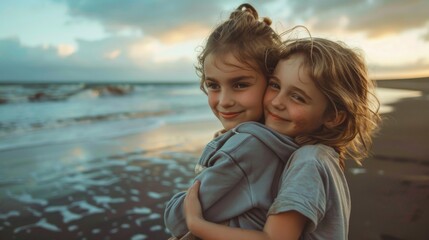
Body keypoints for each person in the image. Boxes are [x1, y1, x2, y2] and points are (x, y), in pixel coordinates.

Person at [183, 37, 381, 240]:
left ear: (332, 116)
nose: (277, 102)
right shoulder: (318, 156)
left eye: (297, 97)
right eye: (275, 85)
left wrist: (196, 224)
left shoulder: (309, 161)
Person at [163, 3, 299, 239]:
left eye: (240, 84)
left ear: (272, 83)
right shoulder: (283, 139)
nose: (224, 101)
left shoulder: (247, 147)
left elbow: (176, 219)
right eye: (213, 85)